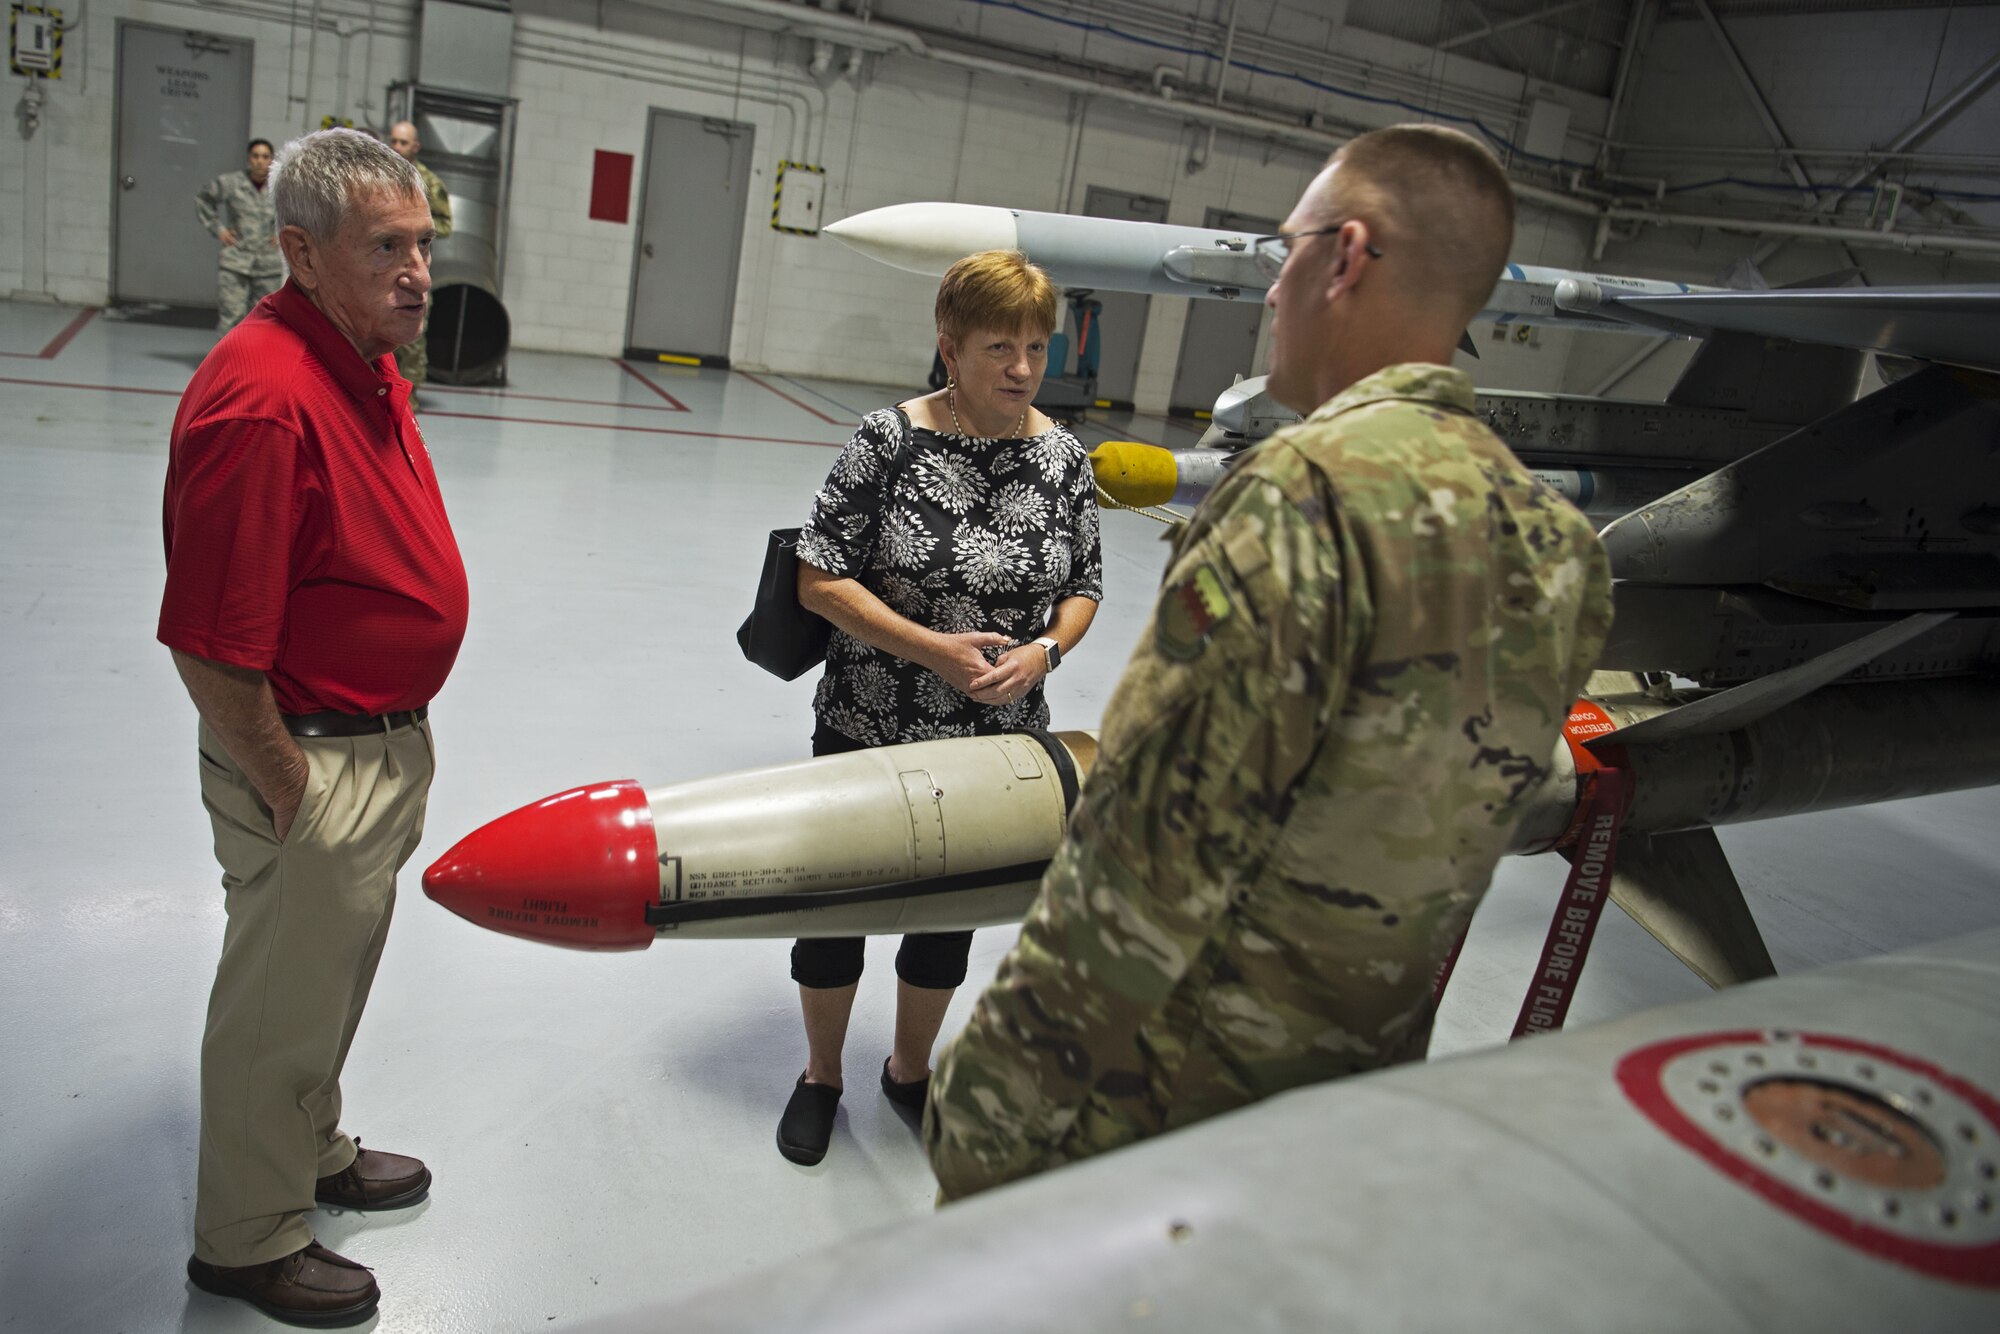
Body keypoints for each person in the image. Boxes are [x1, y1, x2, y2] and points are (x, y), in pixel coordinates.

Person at [924, 125, 1615, 1202]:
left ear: (1342, 257)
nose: (1269, 290)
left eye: (1281, 251)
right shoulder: (1556, 542)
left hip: (1166, 1109)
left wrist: (989, 1101)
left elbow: (1146, 854)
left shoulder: (1304, 495)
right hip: (1344, 1111)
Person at [161, 128, 466, 1325]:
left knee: (326, 983)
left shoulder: (360, 355)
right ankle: (243, 1235)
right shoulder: (264, 398)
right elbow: (208, 642)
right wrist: (290, 785)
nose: (418, 270)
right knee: (275, 1001)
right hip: (311, 753)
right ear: (298, 251)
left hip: (377, 738)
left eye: (424, 243)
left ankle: (313, 1145)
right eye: (385, 247)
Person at [779, 249, 1105, 1167]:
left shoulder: (1062, 457)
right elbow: (817, 579)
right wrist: (931, 649)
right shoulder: (888, 443)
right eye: (999, 346)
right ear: (949, 348)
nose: (1021, 368)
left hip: (995, 738)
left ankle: (910, 1070)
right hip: (871, 716)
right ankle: (820, 1075)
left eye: (1037, 347)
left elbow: (1084, 584)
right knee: (837, 904)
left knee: (948, 917)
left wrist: (1046, 649)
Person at [387, 119, 454, 393]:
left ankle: (409, 400)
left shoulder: (429, 183)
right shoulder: (377, 179)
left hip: (414, 270)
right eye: (393, 141)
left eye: (403, 142)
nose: (397, 147)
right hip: (380, 270)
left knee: (412, 339)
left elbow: (446, 225)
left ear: (416, 146)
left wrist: (411, 228)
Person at [195, 139, 284, 331]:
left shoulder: (281, 187)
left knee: (266, 320)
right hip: (236, 261)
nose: (260, 161)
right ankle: (228, 360)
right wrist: (219, 229)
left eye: (265, 157)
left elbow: (300, 211)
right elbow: (203, 199)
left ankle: (259, 361)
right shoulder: (232, 183)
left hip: (268, 263)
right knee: (231, 316)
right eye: (256, 156)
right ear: (248, 158)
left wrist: (282, 232)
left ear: (272, 159)